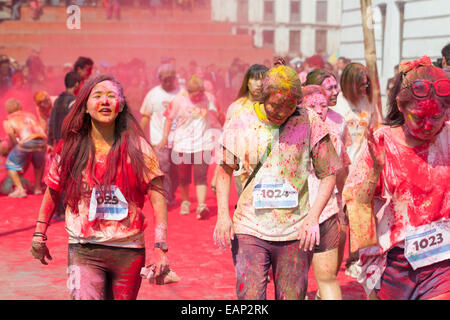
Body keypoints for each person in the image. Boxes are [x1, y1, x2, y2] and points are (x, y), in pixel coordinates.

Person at [30, 74, 170, 300]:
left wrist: (160, 247)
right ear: (85, 107)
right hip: (84, 248)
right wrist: (39, 234)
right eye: (97, 96)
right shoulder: (70, 148)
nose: (105, 101)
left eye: (111, 96)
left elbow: (157, 194)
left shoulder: (138, 147)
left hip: (129, 250)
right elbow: (53, 190)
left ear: (121, 105)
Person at [214, 64, 342, 300]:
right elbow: (223, 171)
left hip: (295, 231)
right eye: (275, 105)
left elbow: (329, 173)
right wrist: (223, 215)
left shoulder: (310, 122)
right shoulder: (241, 121)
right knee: (251, 298)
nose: (282, 112)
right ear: (263, 97)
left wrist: (313, 218)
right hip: (250, 227)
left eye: (289, 105)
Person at [343, 56, 450, 300]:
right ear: (401, 107)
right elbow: (356, 204)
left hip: (442, 262)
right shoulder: (382, 142)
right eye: (419, 117)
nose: (428, 125)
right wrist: (375, 170)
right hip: (395, 262)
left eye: (436, 117)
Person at [304, 69, 351, 298]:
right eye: (313, 107)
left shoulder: (338, 124)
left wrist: (342, 200)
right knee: (295, 278)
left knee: (327, 277)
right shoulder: (288, 131)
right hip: (296, 212)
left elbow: (341, 169)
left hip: (328, 209)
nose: (320, 112)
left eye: (322, 106)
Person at [158, 75, 219, 219]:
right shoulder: (179, 99)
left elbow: (218, 114)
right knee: (183, 177)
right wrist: (165, 137)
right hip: (182, 145)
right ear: (188, 91)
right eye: (194, 95)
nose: (197, 98)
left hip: (203, 143)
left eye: (200, 94)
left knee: (201, 176)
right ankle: (185, 202)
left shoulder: (209, 98)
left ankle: (201, 205)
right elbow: (168, 118)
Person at [215, 64, 269, 198]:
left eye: (263, 79)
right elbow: (226, 141)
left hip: (269, 165)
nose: (259, 84)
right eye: (255, 79)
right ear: (247, 81)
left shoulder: (273, 106)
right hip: (243, 167)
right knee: (246, 203)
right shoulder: (237, 107)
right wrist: (218, 171)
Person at [140, 63, 181, 206]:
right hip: (159, 140)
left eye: (170, 79)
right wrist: (139, 135)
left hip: (179, 141)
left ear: (175, 78)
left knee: (176, 171)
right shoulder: (153, 95)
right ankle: (165, 197)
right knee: (163, 168)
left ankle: (171, 193)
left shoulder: (181, 93)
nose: (168, 82)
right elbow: (146, 116)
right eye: (165, 80)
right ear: (159, 79)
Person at [46, 71, 81, 221]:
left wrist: (50, 141)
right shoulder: (74, 101)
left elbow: (52, 122)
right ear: (77, 84)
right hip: (70, 143)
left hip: (58, 144)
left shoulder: (58, 100)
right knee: (69, 177)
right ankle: (66, 209)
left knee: (58, 177)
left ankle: (58, 211)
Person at [3, 98, 47, 197]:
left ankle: (20, 189)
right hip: (41, 140)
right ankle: (37, 188)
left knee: (10, 165)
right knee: (38, 163)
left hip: (26, 142)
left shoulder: (8, 120)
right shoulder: (30, 115)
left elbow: (13, 139)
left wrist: (14, 151)